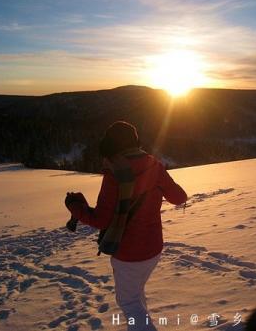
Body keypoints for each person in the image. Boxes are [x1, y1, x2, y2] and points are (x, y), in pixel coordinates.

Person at [65, 121, 187, 331]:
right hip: (154, 249)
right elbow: (179, 197)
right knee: (136, 296)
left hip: (128, 254)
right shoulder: (154, 165)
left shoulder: (114, 174)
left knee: (129, 303)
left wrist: (75, 208)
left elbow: (102, 220)